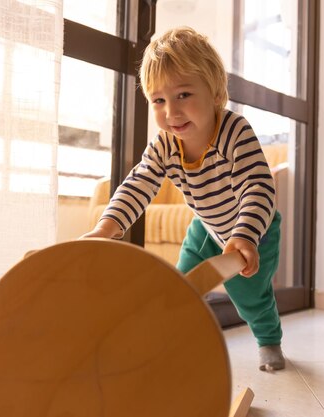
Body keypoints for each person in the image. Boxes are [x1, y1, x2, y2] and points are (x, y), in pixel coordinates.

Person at [81, 26, 284, 371]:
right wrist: (106, 228)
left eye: (184, 95)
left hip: (254, 232)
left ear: (215, 93)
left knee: (250, 298)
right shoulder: (164, 145)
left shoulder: (235, 131)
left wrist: (244, 234)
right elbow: (138, 183)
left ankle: (269, 339)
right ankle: (167, 342)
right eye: (158, 100)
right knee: (178, 288)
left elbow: (257, 186)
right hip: (205, 230)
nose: (171, 112)